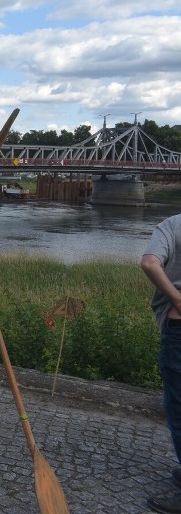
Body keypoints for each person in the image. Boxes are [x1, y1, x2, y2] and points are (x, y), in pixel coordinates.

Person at [142, 212, 181, 514]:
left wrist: (177, 299)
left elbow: (150, 263)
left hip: (178, 327)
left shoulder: (172, 225)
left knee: (179, 408)